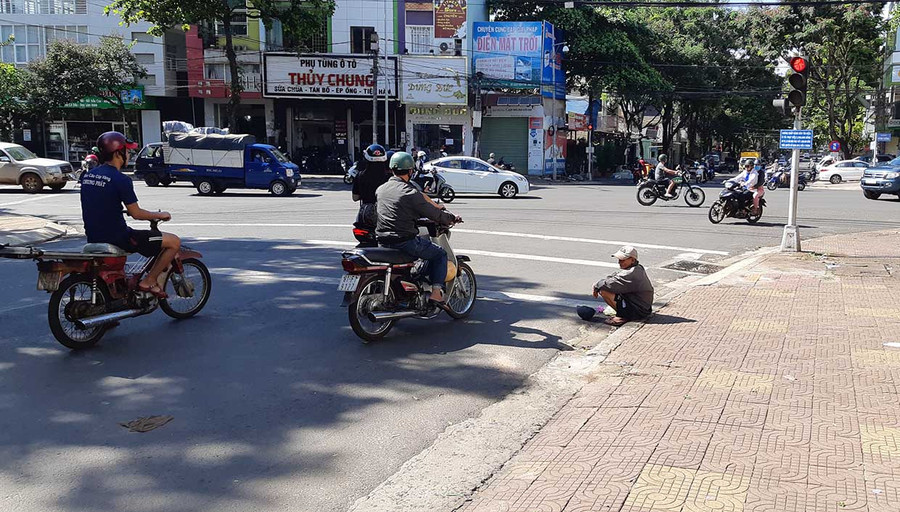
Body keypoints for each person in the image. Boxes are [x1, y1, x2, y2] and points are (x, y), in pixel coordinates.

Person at [80, 132, 179, 298]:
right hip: (119, 238)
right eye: (127, 151)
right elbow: (136, 213)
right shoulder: (121, 179)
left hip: (93, 236)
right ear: (118, 153)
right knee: (174, 241)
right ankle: (149, 281)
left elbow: (100, 202)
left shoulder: (87, 176)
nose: (128, 155)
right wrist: (160, 215)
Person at [376, 152, 460, 305]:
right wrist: (451, 219)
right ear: (410, 171)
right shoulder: (410, 192)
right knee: (440, 254)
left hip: (382, 240)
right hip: (404, 242)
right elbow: (433, 213)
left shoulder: (381, 189)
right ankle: (436, 293)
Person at [576, 246, 655, 326]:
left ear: (632, 260)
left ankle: (623, 316)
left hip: (639, 311)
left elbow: (609, 284)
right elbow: (614, 278)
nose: (619, 262)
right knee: (605, 287)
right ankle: (624, 312)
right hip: (642, 307)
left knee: (604, 290)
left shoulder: (631, 273)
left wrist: (596, 285)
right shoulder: (637, 268)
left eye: (623, 260)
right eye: (619, 260)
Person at [352, 144, 390, 229]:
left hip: (365, 215)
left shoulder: (360, 176)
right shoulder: (389, 177)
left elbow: (355, 198)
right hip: (386, 215)